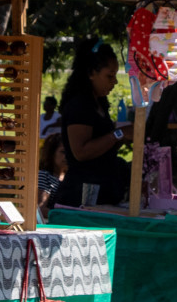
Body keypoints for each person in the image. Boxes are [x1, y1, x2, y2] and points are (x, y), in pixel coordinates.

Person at [56, 38, 132, 206]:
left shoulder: (98, 103)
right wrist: (118, 134)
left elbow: (102, 147)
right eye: (109, 76)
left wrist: (122, 138)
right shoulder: (79, 105)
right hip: (81, 195)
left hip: (101, 191)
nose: (114, 81)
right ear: (91, 73)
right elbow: (81, 152)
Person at [37, 131, 70, 213]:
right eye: (63, 152)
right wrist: (66, 216)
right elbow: (39, 209)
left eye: (70, 152)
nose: (67, 156)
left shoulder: (69, 178)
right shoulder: (44, 176)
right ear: (51, 153)